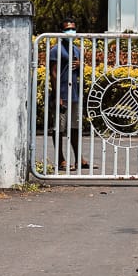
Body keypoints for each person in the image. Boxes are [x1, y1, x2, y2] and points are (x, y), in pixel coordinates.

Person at [48, 19, 89, 170]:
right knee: (59, 128)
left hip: (74, 94)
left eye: (73, 29)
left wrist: (80, 65)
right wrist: (57, 95)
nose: (71, 32)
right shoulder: (55, 50)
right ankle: (61, 160)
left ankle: (79, 159)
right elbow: (53, 73)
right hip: (62, 94)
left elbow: (79, 73)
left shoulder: (76, 49)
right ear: (61, 32)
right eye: (67, 29)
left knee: (75, 128)